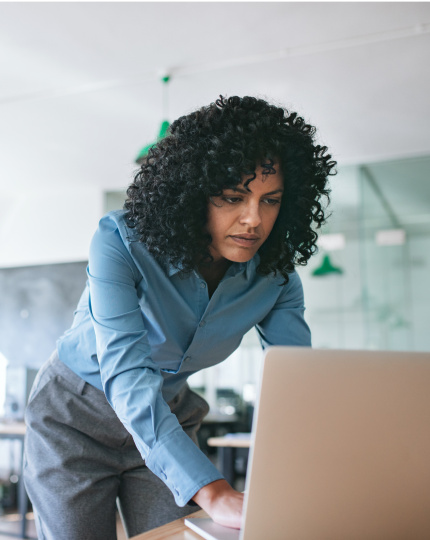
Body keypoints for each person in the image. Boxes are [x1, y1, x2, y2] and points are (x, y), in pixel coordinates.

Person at [24, 95, 335, 539]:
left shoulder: (276, 279)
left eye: (271, 200)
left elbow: (297, 386)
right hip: (74, 419)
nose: (253, 220)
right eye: (233, 197)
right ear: (190, 195)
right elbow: (127, 372)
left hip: (168, 416)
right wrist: (212, 489)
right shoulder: (120, 242)